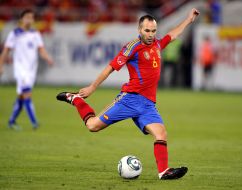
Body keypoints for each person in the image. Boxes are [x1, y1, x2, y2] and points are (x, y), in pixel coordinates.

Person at [57, 8, 199, 180]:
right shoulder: (132, 47)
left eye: (153, 31)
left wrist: (189, 19)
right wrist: (92, 87)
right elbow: (110, 67)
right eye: (147, 30)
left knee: (161, 134)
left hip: (147, 105)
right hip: (129, 99)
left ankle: (163, 171)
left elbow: (173, 34)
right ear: (139, 30)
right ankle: (76, 99)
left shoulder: (157, 45)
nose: (151, 34)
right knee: (93, 126)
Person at [0, 9, 53, 130]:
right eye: (27, 17)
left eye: (31, 17)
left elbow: (41, 49)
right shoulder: (15, 34)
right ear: (21, 19)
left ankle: (11, 121)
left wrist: (48, 58)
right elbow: (6, 51)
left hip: (31, 70)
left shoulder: (35, 34)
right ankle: (34, 122)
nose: (29, 20)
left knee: (21, 96)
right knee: (27, 93)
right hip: (20, 69)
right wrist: (1, 65)